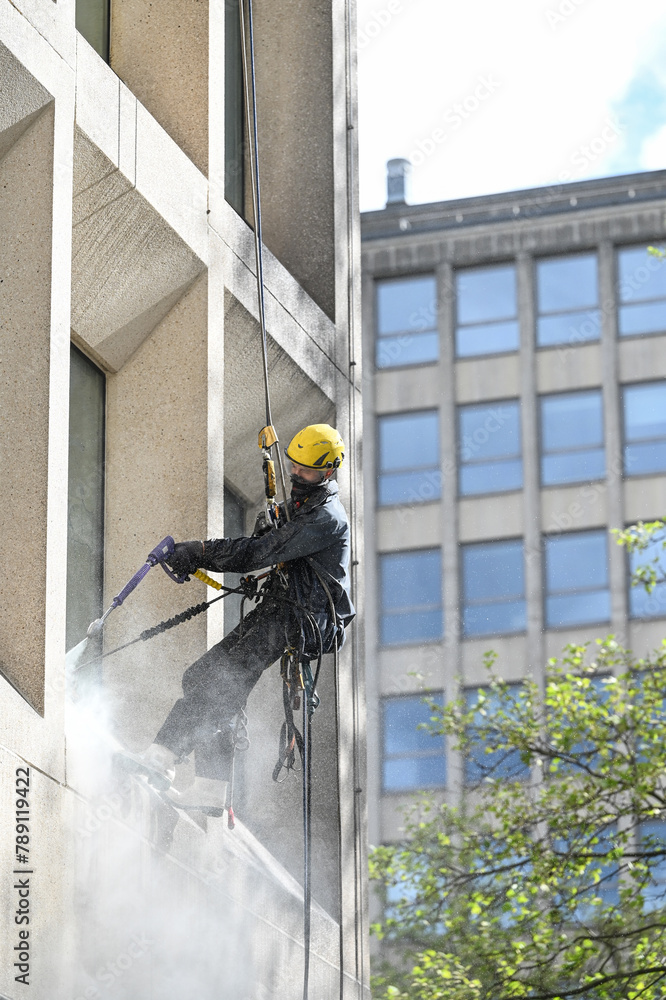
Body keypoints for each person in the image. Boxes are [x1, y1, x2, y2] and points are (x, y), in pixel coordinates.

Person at [124, 424, 355, 813]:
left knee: (214, 679)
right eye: (293, 466)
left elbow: (255, 553)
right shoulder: (306, 507)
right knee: (212, 682)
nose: (297, 475)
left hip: (300, 618)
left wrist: (198, 551)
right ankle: (210, 791)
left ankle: (159, 760)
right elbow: (270, 542)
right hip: (284, 607)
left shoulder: (326, 517)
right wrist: (272, 523)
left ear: (329, 472)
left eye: (308, 471)